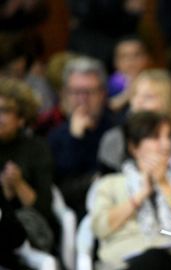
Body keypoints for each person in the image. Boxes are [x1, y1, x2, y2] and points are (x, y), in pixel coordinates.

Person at [91, 111, 171, 270]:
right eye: (156, 137)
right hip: (123, 261)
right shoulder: (109, 184)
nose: (166, 144)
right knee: (150, 260)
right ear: (134, 147)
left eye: (168, 136)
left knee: (157, 259)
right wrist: (140, 195)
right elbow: (100, 228)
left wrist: (164, 184)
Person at [48, 56, 116, 219]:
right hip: (75, 213)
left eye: (89, 92)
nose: (82, 99)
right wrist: (75, 138)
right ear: (64, 94)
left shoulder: (117, 129)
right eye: (76, 92)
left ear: (103, 94)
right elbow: (61, 183)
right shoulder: (54, 135)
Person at [98, 69, 171, 174]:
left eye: (148, 97)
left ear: (167, 102)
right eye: (135, 95)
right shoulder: (114, 139)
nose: (138, 102)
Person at [0, 78, 56, 251]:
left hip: (29, 232)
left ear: (22, 118)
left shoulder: (36, 148)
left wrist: (18, 185)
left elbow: (45, 210)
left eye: (5, 111)